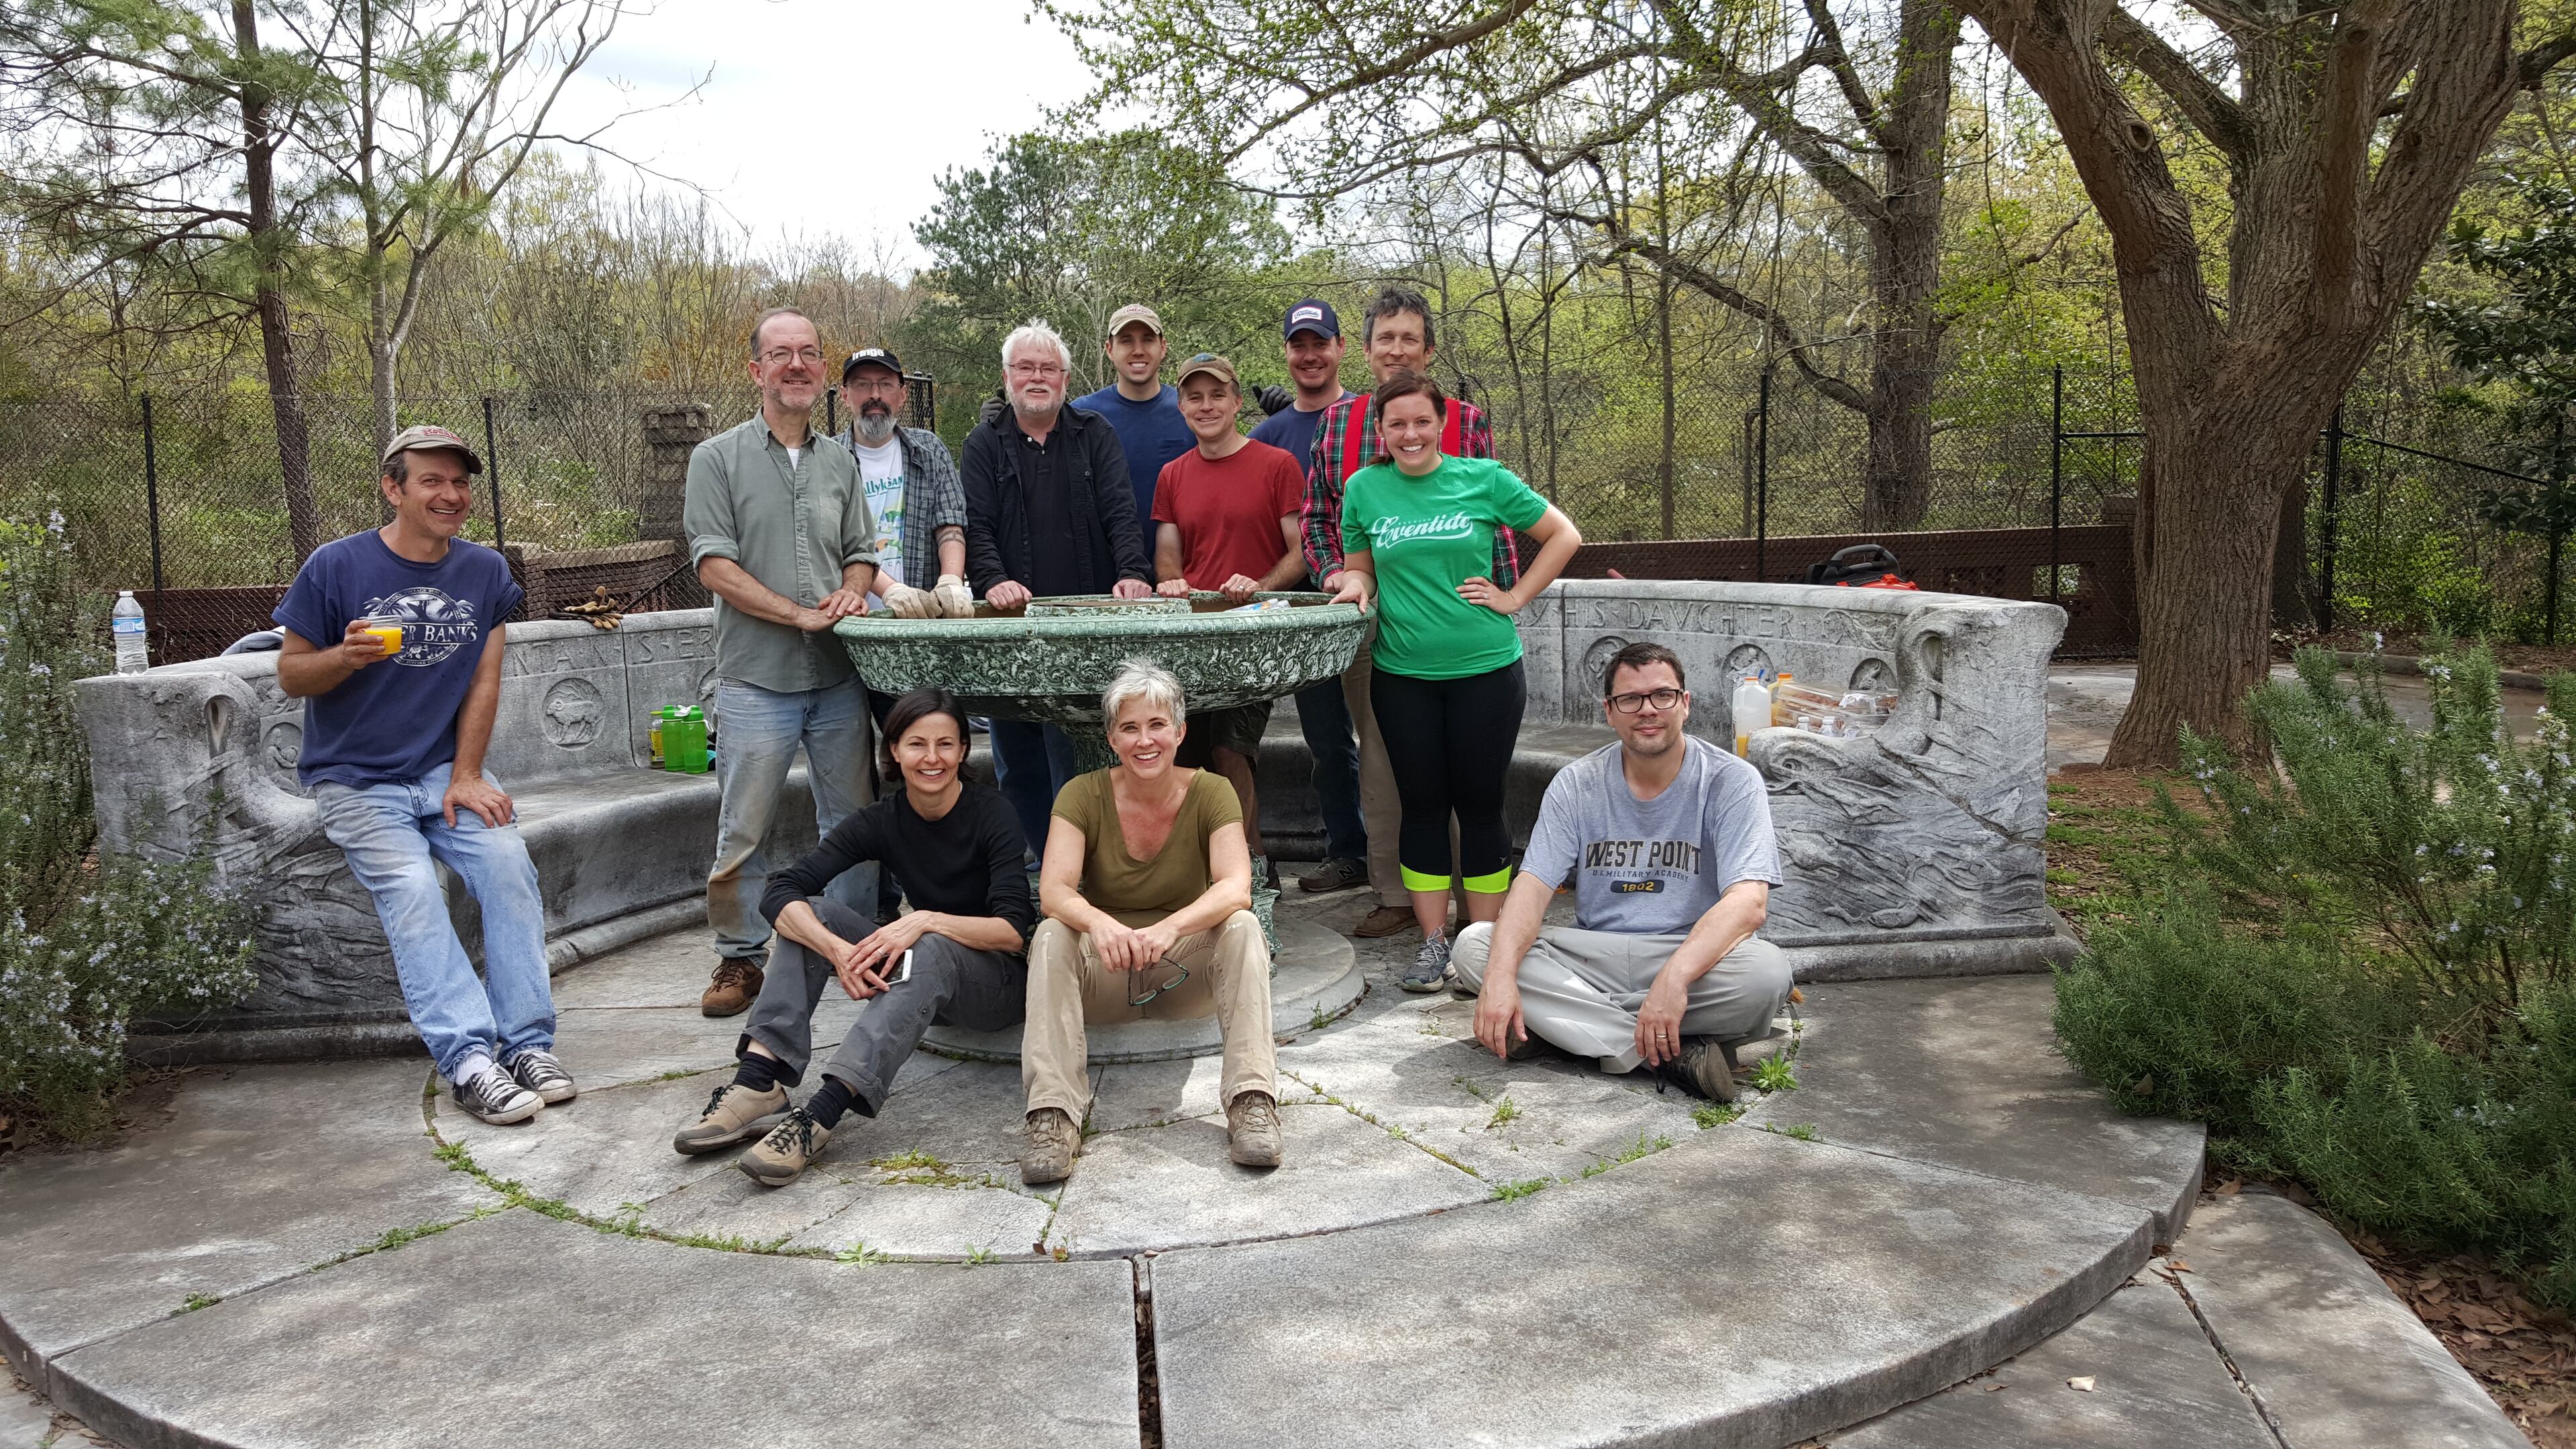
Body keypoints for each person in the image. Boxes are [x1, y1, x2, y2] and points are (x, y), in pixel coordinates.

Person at [273, 425, 574, 1125]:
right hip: (356, 782)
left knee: (507, 868)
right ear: (394, 488)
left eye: (460, 483)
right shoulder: (335, 568)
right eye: (432, 481)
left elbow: (485, 681)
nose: (450, 495)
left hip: (446, 773)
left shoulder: (484, 574)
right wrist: (342, 659)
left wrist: (467, 772)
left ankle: (528, 1044)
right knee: (412, 891)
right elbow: (292, 675)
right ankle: (469, 1059)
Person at [669, 689, 1036, 1185]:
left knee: (925, 942)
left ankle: (820, 1115)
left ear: (963, 751)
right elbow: (782, 891)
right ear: (894, 752)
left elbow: (1014, 932)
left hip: (996, 988)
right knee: (811, 914)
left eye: (946, 745)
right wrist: (837, 951)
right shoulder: (882, 820)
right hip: (925, 977)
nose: (932, 759)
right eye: (917, 745)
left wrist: (926, 919)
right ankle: (758, 1081)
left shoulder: (993, 813)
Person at [1329, 370, 1582, 991]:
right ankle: (1434, 945)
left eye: (1421, 421)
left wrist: (1515, 595)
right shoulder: (1363, 489)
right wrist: (1352, 587)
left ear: (1441, 424)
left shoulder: (1483, 479)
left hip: (1486, 672)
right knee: (1422, 809)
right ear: (1380, 432)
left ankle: (1482, 951)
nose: (1410, 434)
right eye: (1396, 424)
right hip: (1402, 675)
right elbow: (1361, 571)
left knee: (1480, 806)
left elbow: (1563, 535)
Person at [1452, 643, 1792, 1102]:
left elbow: (1748, 904)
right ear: (1610, 712)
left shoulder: (1731, 781)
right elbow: (1531, 889)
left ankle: (1560, 1029)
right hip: (1594, 956)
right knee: (1476, 948)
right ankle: (1668, 1054)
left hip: (1688, 954)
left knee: (1767, 974)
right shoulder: (1577, 783)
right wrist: (1498, 979)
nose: (1647, 710)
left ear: (1685, 704)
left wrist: (1673, 982)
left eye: (1662, 696)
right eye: (1630, 700)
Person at [683, 307, 882, 1018]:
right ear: (756, 370)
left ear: (822, 370)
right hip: (755, 678)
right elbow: (713, 565)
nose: (796, 366)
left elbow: (862, 553)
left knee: (853, 821)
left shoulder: (839, 462)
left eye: (808, 354)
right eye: (781, 354)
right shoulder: (717, 459)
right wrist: (797, 612)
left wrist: (852, 596)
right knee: (745, 826)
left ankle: (854, 944)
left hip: (836, 678)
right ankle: (740, 959)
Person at [1301, 286, 1516, 939]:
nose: (1397, 349)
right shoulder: (1336, 424)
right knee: (1387, 760)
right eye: (1385, 338)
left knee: (1467, 769)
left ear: (1429, 349)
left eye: (1410, 338)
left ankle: (1467, 904)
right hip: (1375, 617)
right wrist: (1338, 574)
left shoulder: (1465, 418)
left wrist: (1503, 595)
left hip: (1459, 617)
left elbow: (1492, 511)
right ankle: (1397, 894)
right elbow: (1318, 519)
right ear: (1364, 351)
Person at [1020, 661, 1279, 1185]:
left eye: (1158, 725)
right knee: (1050, 934)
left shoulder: (1211, 792)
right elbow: (1054, 891)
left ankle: (1253, 1102)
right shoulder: (1081, 794)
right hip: (1108, 971)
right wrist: (1100, 926)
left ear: (1180, 733)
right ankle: (1053, 1117)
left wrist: (1170, 929)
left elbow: (1235, 886)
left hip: (1184, 971)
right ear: (1112, 737)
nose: (1145, 740)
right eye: (1131, 727)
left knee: (1244, 927)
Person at [962, 318, 1155, 857]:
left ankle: (1095, 865)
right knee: (1018, 756)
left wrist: (1134, 574)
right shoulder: (984, 443)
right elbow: (975, 525)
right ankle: (1036, 868)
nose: (1037, 377)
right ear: (1007, 375)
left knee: (1082, 753)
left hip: (1086, 623)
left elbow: (1122, 512)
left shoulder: (1095, 434)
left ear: (1066, 378)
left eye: (1049, 368)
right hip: (1011, 627)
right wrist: (994, 580)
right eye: (1026, 367)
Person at [1151, 352, 1306, 875]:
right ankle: (1206, 867)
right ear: (1181, 406)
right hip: (1190, 635)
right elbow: (1168, 550)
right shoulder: (1172, 474)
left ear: (1238, 402)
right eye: (1194, 396)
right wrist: (1170, 580)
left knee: (1230, 752)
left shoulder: (1277, 465)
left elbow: (1300, 550)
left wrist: (1259, 586)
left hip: (1252, 634)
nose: (1207, 405)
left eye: (1218, 395)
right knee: (1185, 755)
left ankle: (1252, 867)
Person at [1248, 299, 1367, 898]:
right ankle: (1349, 851)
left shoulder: (1374, 417)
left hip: (1376, 603)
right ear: (1287, 354)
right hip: (1302, 612)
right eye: (1299, 344)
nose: (1310, 354)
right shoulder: (1267, 434)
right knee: (1326, 739)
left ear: (1342, 348)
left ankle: (1395, 860)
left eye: (1321, 342)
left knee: (1388, 736)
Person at [835, 347, 974, 621]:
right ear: (844, 395)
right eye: (862, 385)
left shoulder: (930, 450)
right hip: (853, 619)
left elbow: (950, 523)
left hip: (923, 618)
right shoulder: (829, 459)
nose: (875, 395)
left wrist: (950, 582)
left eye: (886, 384)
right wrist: (890, 590)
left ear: (903, 395)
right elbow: (833, 543)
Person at [1074, 303, 1196, 537]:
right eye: (1126, 340)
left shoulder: (1190, 411)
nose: (1138, 350)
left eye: (1148, 339)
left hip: (1181, 566)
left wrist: (1284, 415)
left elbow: (1233, 461)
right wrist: (1002, 427)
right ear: (1109, 350)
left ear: (1163, 347)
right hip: (1107, 566)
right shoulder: (1083, 415)